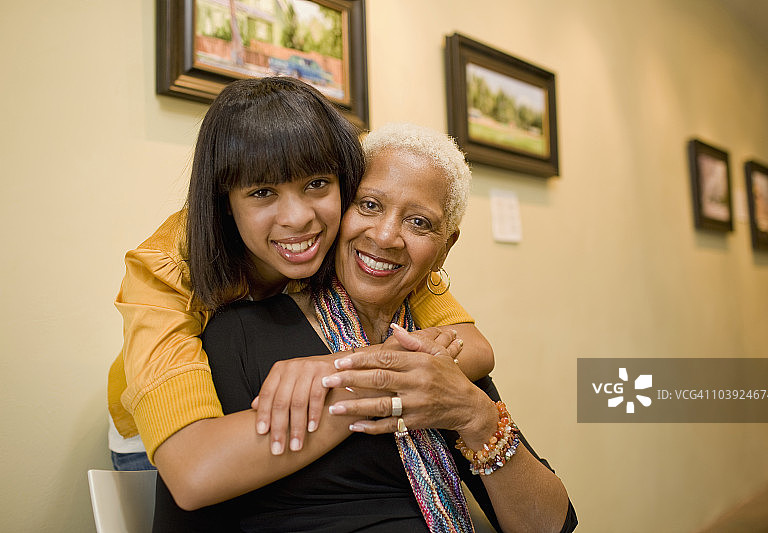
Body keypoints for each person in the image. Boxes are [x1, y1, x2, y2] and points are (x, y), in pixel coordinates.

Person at [153, 123, 577, 532]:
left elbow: (549, 524)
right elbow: (190, 503)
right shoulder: (240, 334)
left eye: (419, 223)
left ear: (445, 247)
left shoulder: (440, 354)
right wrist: (367, 380)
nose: (387, 235)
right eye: (370, 205)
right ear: (339, 212)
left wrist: (477, 415)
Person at [107, 77, 494, 472]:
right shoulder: (166, 266)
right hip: (160, 437)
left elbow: (474, 348)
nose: (298, 218)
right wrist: (365, 374)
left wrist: (337, 367)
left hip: (286, 417)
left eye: (316, 184)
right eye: (262, 192)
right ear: (225, 199)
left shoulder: (355, 237)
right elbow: (191, 466)